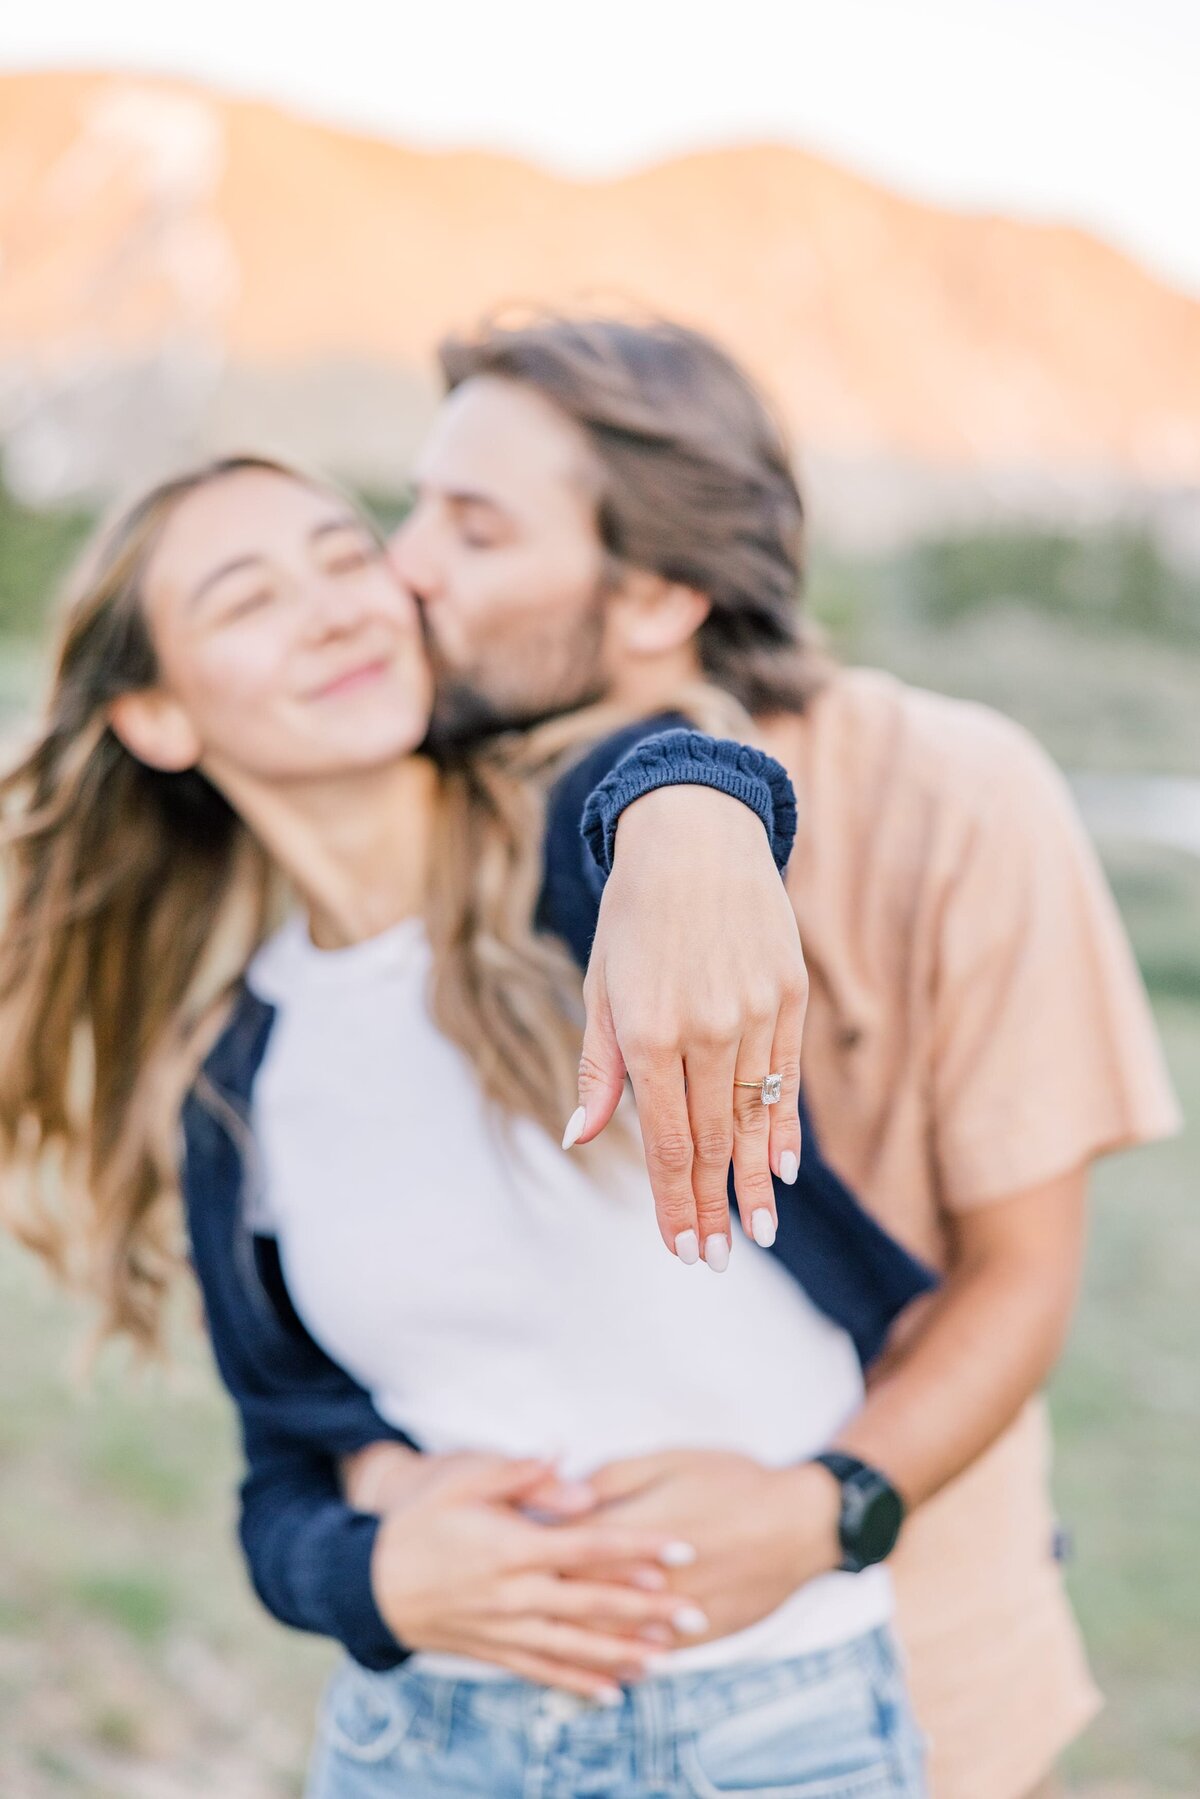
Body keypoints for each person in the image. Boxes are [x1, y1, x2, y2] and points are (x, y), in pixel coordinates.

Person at [0, 456, 932, 1797]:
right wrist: (373, 1572)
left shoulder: (582, 857)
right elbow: (283, 1479)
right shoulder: (232, 1079)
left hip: (778, 1731)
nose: (331, 609)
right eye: (248, 598)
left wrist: (698, 814)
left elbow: (670, 764)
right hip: (425, 1746)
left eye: (344, 556)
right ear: (154, 715)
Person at [376, 314, 1183, 1799]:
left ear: (659, 597)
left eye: (473, 529)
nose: (404, 565)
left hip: (915, 1665)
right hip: (517, 1697)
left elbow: (1022, 1273)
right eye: (414, 507)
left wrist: (827, 1512)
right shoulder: (409, 812)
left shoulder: (955, 795)